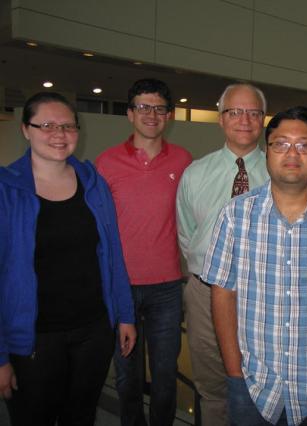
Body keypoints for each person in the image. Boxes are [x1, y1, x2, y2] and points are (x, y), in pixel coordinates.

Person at [203, 106, 307, 426]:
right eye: (281, 144)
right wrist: (234, 372)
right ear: (267, 151)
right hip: (254, 385)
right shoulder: (235, 214)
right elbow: (222, 292)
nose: (292, 153)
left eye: (304, 145)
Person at [0, 92, 136, 425]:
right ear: (26, 129)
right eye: (46, 125)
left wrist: (125, 315)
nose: (59, 134)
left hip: (93, 331)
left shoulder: (93, 183)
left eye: (67, 126)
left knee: (81, 416)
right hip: (33, 338)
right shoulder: (6, 190)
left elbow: (113, 254)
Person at [96, 79, 192, 426]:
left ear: (169, 115)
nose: (151, 114)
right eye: (143, 107)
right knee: (127, 376)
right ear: (129, 114)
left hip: (167, 287)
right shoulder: (106, 163)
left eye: (159, 108)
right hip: (121, 286)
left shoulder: (183, 160)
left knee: (165, 376)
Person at [176, 83, 269, 425]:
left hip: (264, 293)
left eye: (253, 112)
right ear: (221, 119)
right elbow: (187, 235)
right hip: (206, 292)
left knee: (263, 381)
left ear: (262, 119)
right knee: (212, 384)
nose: (244, 120)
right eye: (235, 112)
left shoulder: (281, 173)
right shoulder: (195, 173)